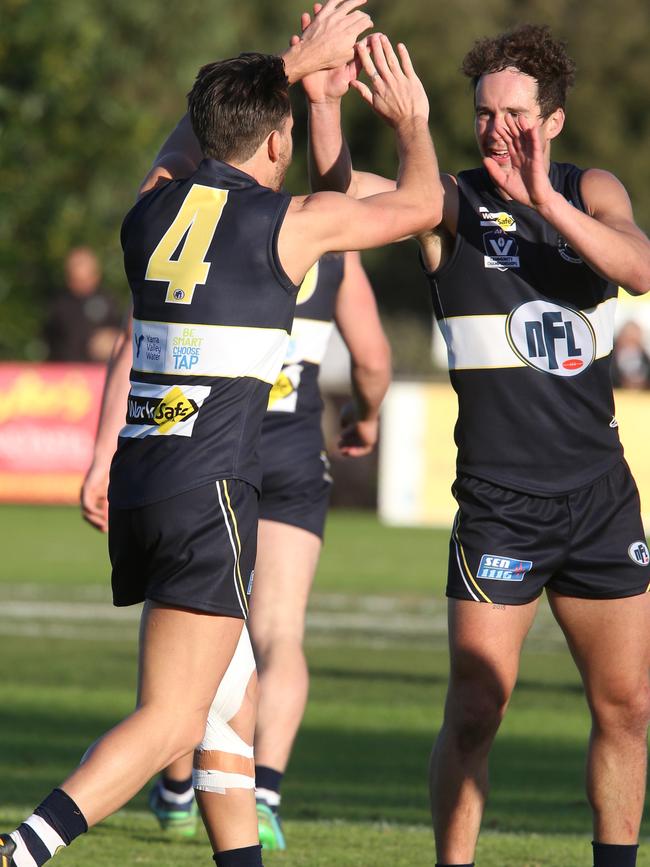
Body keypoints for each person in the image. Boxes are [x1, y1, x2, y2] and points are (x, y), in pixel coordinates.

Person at [0, 10, 442, 866]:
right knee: (172, 713)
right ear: (278, 142)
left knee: (219, 702)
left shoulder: (150, 212)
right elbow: (421, 205)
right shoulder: (285, 223)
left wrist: (287, 69)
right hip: (211, 494)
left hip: (143, 479)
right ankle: (23, 848)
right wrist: (412, 122)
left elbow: (190, 140)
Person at [305, 22, 650, 867]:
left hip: (601, 497)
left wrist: (547, 202)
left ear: (554, 120)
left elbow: (639, 268)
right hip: (501, 507)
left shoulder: (592, 189)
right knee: (474, 710)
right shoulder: (448, 202)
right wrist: (321, 102)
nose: (499, 127)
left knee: (630, 707)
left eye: (518, 114)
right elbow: (343, 193)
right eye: (486, 112)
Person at [81, 249, 391, 848]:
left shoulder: (203, 223)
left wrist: (100, 457)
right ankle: (264, 796)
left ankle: (175, 790)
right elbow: (374, 358)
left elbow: (134, 343)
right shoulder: (332, 244)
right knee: (279, 635)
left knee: (189, 623)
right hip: (290, 455)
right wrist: (367, 416)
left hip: (207, 450)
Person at [43, 246, 122, 362]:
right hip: (67, 372)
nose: (82, 286)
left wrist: (111, 340)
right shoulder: (59, 305)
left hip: (98, 372)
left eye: (86, 280)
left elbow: (123, 334)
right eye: (76, 280)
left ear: (96, 276)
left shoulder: (109, 301)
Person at [611, 320, 650, 390]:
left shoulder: (645, 358)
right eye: (629, 340)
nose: (631, 346)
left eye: (635, 342)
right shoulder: (609, 360)